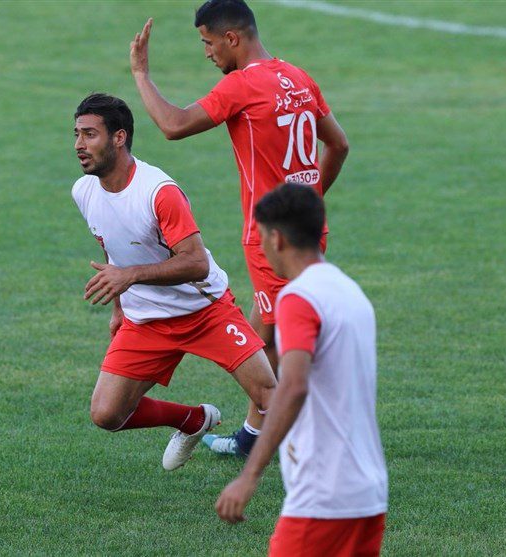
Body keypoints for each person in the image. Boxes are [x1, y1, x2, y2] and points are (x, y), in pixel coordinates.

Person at [130, 0, 350, 457]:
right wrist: (309, 201)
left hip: (272, 240)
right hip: (310, 229)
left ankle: (314, 438)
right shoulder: (298, 76)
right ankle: (253, 436)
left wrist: (141, 76)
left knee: (275, 339)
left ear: (232, 38)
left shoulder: (242, 86)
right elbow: (339, 144)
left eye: (208, 43)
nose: (207, 53)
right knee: (263, 335)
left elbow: (172, 126)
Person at [71, 93, 277, 471]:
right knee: (107, 414)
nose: (79, 146)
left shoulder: (159, 193)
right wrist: (119, 306)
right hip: (145, 319)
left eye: (89, 135)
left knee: (269, 393)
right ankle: (192, 420)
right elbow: (113, 249)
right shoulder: (84, 191)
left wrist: (129, 277)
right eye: (77, 135)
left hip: (205, 310)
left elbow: (196, 263)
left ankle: (319, 470)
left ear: (119, 137)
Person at [214, 183, 388, 556]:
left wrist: (249, 475)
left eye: (260, 237)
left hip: (324, 495)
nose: (259, 248)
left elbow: (292, 386)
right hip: (368, 491)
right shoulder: (350, 291)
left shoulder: (297, 298)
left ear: (277, 239)